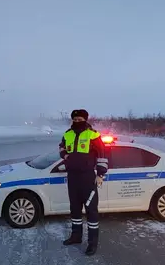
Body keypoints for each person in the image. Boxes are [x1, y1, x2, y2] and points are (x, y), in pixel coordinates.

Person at [58, 109, 108, 255]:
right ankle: (76, 236)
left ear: (85, 119)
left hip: (88, 177)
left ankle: (92, 243)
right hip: (72, 177)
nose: (77, 121)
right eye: (75, 119)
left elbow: (103, 154)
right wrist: (65, 155)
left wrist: (100, 174)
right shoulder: (67, 133)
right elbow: (61, 147)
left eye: (80, 119)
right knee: (74, 208)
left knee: (91, 211)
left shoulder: (93, 134)